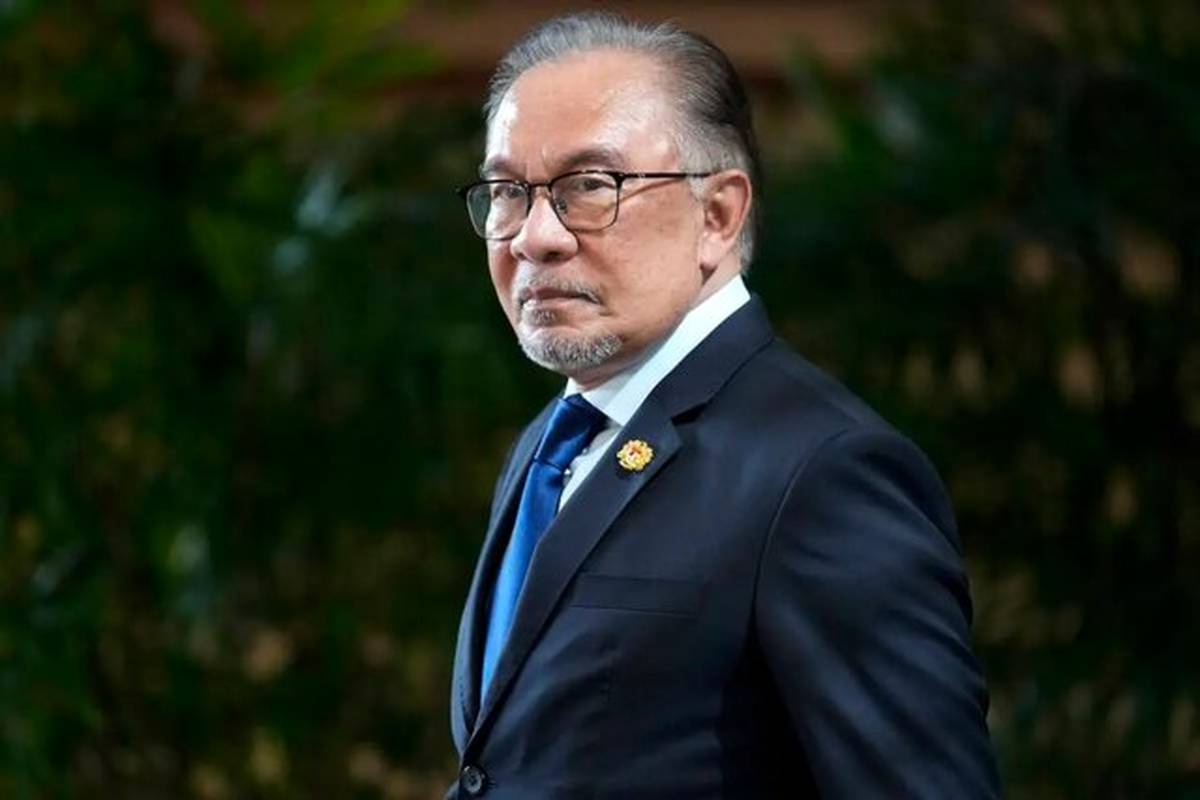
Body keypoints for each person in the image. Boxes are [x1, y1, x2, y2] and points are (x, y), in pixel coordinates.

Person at [446, 11, 1000, 799]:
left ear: (717, 215)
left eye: (589, 187)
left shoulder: (822, 472)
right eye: (509, 192)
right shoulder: (551, 444)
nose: (535, 237)